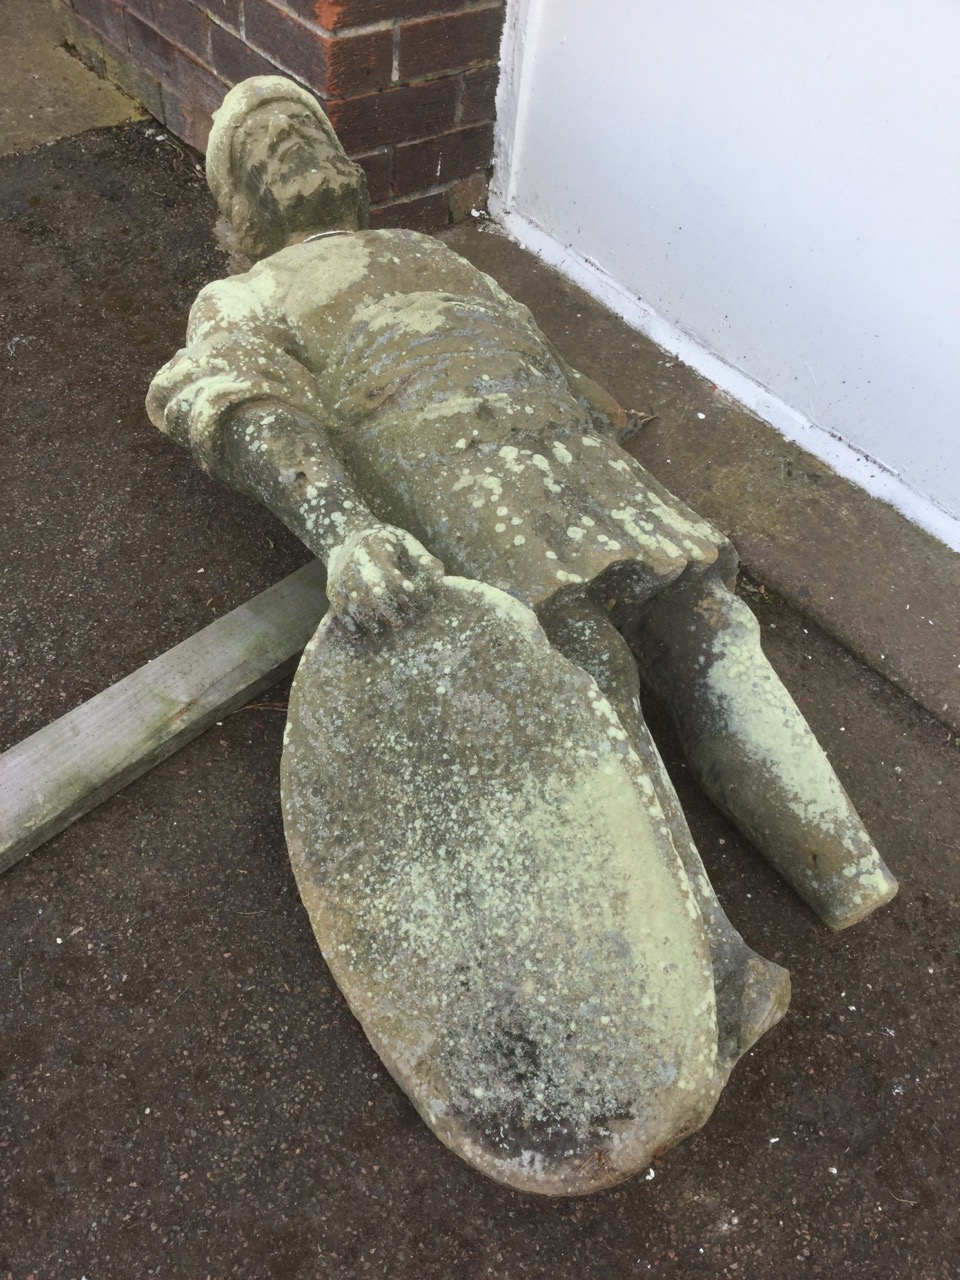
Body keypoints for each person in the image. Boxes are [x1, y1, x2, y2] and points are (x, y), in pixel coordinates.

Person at [147, 76, 897, 1186]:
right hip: (447, 476)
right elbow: (231, 401)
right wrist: (343, 527)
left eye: (302, 124)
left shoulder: (437, 252)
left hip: (567, 463)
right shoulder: (243, 295)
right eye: (258, 146)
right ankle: (696, 985)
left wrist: (593, 424)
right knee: (583, 662)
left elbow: (547, 360)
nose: (289, 143)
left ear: (346, 165)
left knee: (709, 629)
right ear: (236, 209)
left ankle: (848, 871)